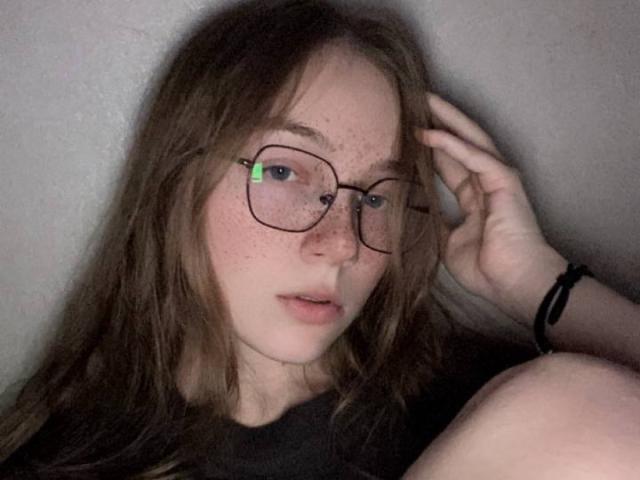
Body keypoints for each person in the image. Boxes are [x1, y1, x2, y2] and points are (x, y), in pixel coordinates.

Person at [1, 0, 639, 478]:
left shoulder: (463, 395)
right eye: (283, 172)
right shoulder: (60, 461)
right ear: (175, 183)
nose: (342, 244)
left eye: (376, 197)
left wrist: (533, 281)